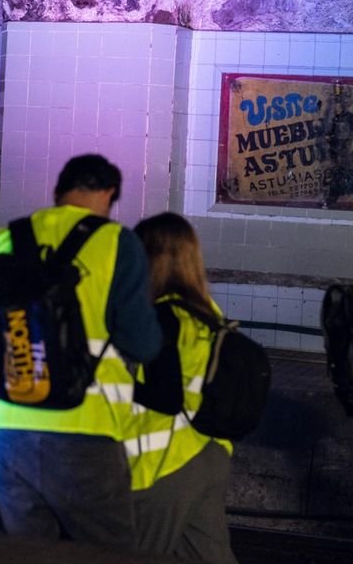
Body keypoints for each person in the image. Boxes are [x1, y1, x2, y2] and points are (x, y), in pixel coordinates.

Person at [0, 154, 161, 547]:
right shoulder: (119, 243)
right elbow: (143, 344)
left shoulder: (5, 240)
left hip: (11, 434)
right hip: (85, 433)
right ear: (109, 193)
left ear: (58, 193)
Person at [125, 212, 237, 564]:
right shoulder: (208, 313)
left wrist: (114, 385)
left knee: (130, 554)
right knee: (208, 555)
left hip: (167, 464)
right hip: (211, 454)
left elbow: (166, 396)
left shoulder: (159, 317)